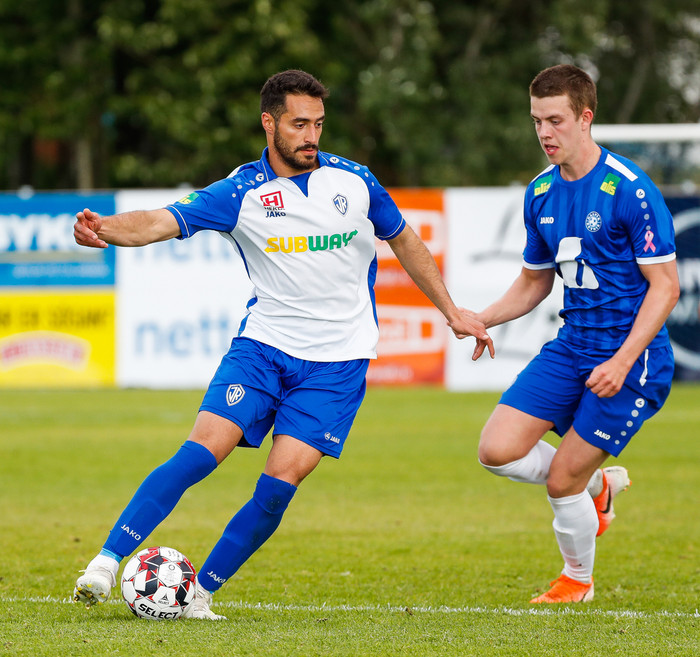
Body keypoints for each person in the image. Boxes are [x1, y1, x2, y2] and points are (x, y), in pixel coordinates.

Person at [72, 69, 493, 619]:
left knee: (278, 486)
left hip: (337, 364)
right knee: (200, 454)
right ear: (269, 124)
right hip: (264, 349)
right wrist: (102, 227)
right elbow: (159, 221)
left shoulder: (355, 181)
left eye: (318, 123)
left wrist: (451, 310)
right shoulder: (240, 192)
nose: (311, 135)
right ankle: (105, 563)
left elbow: (405, 240)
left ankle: (199, 594)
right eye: (299, 124)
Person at [468, 64, 679, 603]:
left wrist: (622, 361)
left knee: (562, 480)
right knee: (495, 450)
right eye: (537, 121)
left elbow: (666, 288)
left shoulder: (630, 190)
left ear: (585, 118)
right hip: (572, 346)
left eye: (555, 120)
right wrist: (483, 319)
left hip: (631, 359)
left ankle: (576, 581)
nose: (544, 133)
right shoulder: (540, 192)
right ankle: (598, 485)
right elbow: (534, 281)